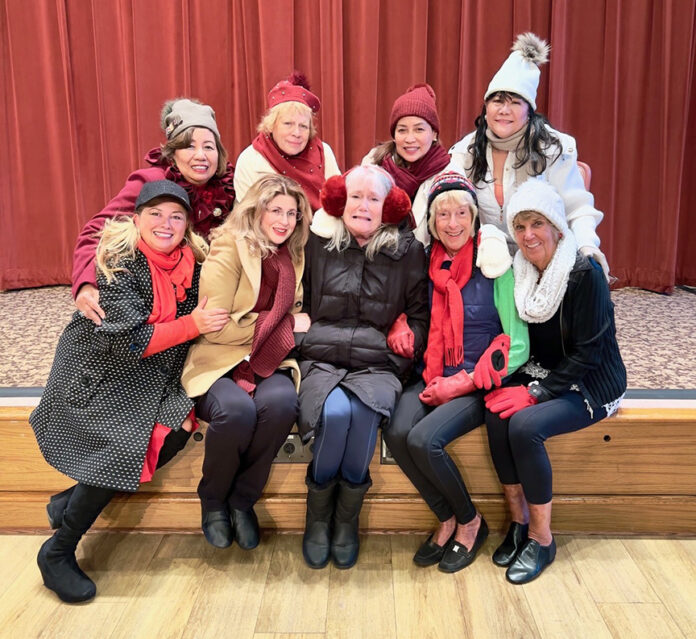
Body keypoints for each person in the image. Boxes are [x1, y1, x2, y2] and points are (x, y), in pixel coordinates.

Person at [30, 180, 230, 603]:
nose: (166, 223)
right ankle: (58, 549)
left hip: (156, 369)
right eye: (155, 214)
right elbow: (129, 341)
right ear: (136, 219)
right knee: (123, 446)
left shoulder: (194, 260)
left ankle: (70, 499)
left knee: (176, 430)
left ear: (187, 225)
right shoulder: (120, 260)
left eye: (176, 216)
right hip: (104, 366)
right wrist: (194, 324)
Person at [383, 173, 529, 573]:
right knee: (396, 433)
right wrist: (400, 322)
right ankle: (447, 518)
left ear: (474, 217)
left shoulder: (494, 264)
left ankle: (470, 522)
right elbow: (411, 310)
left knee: (425, 439)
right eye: (442, 214)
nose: (452, 223)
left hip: (478, 380)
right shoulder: (426, 263)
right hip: (431, 371)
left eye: (460, 212)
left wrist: (464, 382)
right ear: (431, 221)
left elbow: (517, 344)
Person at [484, 179, 626, 584]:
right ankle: (517, 522)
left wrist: (537, 393)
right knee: (494, 410)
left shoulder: (585, 274)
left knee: (526, 426)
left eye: (537, 224)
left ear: (558, 228)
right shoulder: (524, 271)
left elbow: (589, 353)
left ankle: (542, 538)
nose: (528, 236)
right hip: (546, 369)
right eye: (520, 226)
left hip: (594, 380)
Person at [297, 165, 429, 570]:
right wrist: (302, 330)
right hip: (322, 357)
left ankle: (346, 520)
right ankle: (318, 517)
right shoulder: (317, 243)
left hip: (378, 364)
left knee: (365, 412)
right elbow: (298, 307)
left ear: (388, 206)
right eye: (356, 196)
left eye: (374, 198)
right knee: (335, 413)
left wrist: (405, 340)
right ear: (341, 200)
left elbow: (420, 317)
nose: (364, 206)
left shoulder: (407, 250)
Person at [181, 174, 312, 551]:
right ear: (256, 210)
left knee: (283, 403)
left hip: (269, 358)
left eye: (292, 213)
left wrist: (277, 330)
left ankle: (242, 500)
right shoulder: (229, 248)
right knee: (237, 412)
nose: (285, 221)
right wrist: (284, 323)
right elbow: (217, 329)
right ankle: (213, 502)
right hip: (219, 359)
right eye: (276, 210)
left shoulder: (294, 254)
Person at [449, 33, 609, 278]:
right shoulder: (468, 149)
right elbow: (446, 197)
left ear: (529, 110)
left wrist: (588, 248)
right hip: (486, 261)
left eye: (514, 102)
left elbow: (577, 209)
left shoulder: (553, 148)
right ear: (486, 107)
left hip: (543, 260)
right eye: (497, 101)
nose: (504, 110)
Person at [73, 97, 235, 324]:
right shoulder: (151, 182)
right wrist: (86, 284)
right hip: (155, 301)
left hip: (209, 294)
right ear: (172, 153)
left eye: (209, 147)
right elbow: (96, 231)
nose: (201, 155)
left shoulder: (229, 186)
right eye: (189, 146)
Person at [359, 84, 463, 246]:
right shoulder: (374, 164)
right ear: (393, 135)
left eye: (419, 130)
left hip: (427, 263)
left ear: (434, 134)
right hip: (377, 257)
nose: (409, 139)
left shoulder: (450, 173)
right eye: (402, 130)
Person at [234, 71, 340, 210]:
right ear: (271, 125)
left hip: (322, 230)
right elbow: (248, 217)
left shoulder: (323, 152)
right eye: (288, 124)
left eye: (303, 126)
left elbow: (338, 205)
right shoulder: (250, 159)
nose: (297, 133)